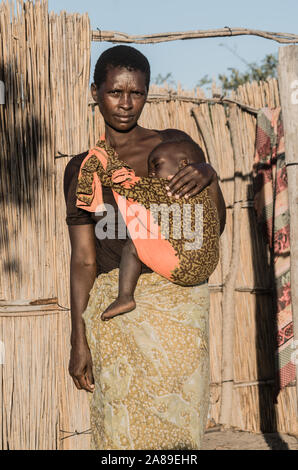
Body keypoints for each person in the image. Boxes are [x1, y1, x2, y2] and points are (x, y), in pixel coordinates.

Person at [64, 45, 226, 450]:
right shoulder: (83, 168)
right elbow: (84, 259)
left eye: (136, 93)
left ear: (147, 93)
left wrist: (210, 176)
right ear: (95, 91)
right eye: (115, 92)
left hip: (177, 310)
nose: (125, 103)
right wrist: (78, 338)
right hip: (116, 312)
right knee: (120, 432)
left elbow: (212, 224)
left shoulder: (174, 150)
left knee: (177, 431)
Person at [91, 138, 220, 321]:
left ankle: (125, 297)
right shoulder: (203, 190)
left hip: (183, 266)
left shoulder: (167, 188)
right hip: (208, 265)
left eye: (156, 166)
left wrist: (108, 165)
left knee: (134, 243)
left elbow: (129, 187)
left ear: (183, 164)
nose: (151, 174)